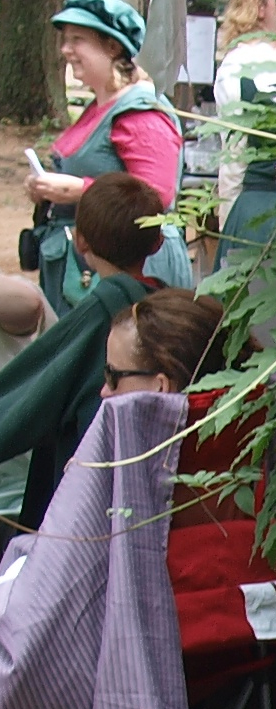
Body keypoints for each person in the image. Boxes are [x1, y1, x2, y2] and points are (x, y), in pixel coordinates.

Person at [4, 0, 195, 327]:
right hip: (92, 269)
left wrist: (79, 191)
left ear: (112, 47)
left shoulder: (141, 111)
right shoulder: (102, 105)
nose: (65, 49)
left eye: (77, 39)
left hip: (132, 271)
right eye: (65, 39)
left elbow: (155, 195)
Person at [0, 177, 170, 529]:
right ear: (158, 243)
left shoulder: (93, 321)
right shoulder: (176, 312)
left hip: (86, 508)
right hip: (161, 496)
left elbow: (24, 407)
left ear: (80, 241)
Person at [213, 0, 276, 259]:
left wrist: (227, 224)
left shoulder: (234, 65)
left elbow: (233, 159)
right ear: (261, 8)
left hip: (255, 213)